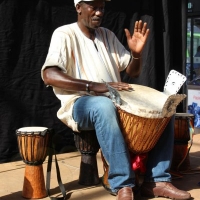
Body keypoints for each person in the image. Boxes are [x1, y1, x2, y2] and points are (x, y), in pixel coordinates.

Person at [41, 0, 191, 199]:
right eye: (93, 6)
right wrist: (94, 86)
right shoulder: (64, 34)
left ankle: (157, 180)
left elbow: (132, 71)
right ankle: (122, 184)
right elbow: (49, 74)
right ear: (78, 7)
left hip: (117, 102)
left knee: (165, 106)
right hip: (81, 104)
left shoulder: (107, 35)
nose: (99, 12)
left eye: (102, 7)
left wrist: (136, 55)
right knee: (103, 105)